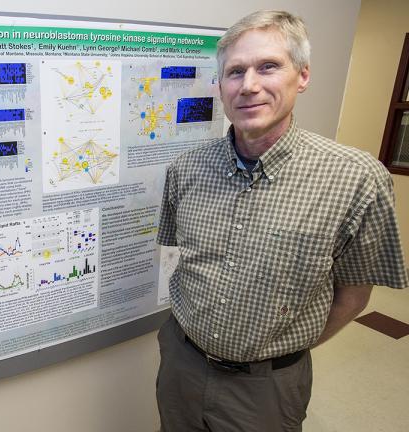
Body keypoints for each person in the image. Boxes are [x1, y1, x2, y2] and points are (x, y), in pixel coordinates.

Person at [155, 10, 408, 432]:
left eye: (268, 66)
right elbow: (186, 262)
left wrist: (277, 354)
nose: (249, 85)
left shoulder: (356, 178)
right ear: (220, 87)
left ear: (302, 76)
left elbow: (354, 296)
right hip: (182, 363)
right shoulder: (186, 168)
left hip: (267, 387)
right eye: (235, 72)